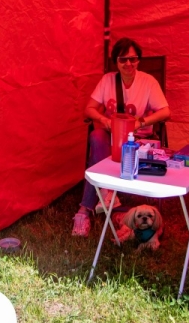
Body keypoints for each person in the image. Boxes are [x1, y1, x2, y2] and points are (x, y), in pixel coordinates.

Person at [72, 38, 170, 237]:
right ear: (115, 62)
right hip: (112, 136)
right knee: (97, 136)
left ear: (139, 60)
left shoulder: (148, 82)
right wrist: (104, 120)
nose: (128, 64)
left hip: (137, 138)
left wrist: (141, 122)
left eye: (133, 59)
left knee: (100, 144)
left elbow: (165, 111)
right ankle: (97, 202)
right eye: (123, 59)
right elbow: (89, 109)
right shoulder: (107, 80)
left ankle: (98, 201)